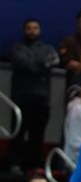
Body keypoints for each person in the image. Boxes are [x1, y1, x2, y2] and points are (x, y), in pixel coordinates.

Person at [9, 18, 59, 172]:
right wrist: (42, 64)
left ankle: (34, 167)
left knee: (37, 136)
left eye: (35, 28)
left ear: (40, 30)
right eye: (29, 28)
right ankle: (14, 164)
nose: (32, 31)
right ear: (24, 30)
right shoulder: (17, 48)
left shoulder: (48, 48)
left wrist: (37, 63)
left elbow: (55, 60)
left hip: (41, 100)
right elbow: (23, 63)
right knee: (18, 134)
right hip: (21, 99)